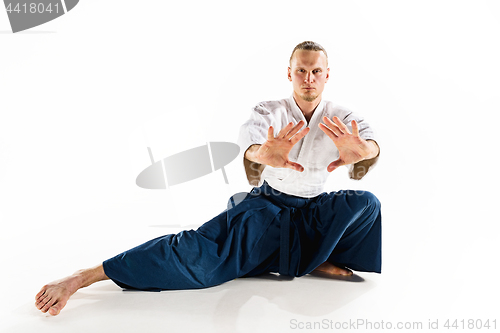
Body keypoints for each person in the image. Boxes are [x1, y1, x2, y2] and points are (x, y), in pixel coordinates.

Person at [35, 41, 381, 316]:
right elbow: (251, 141)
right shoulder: (270, 111)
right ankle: (84, 277)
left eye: (316, 71)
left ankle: (310, 257)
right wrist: (261, 154)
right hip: (266, 210)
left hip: (312, 212)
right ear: (289, 73)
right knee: (197, 255)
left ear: (327, 75)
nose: (309, 78)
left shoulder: (341, 117)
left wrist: (365, 151)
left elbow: (371, 145)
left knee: (366, 204)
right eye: (301, 71)